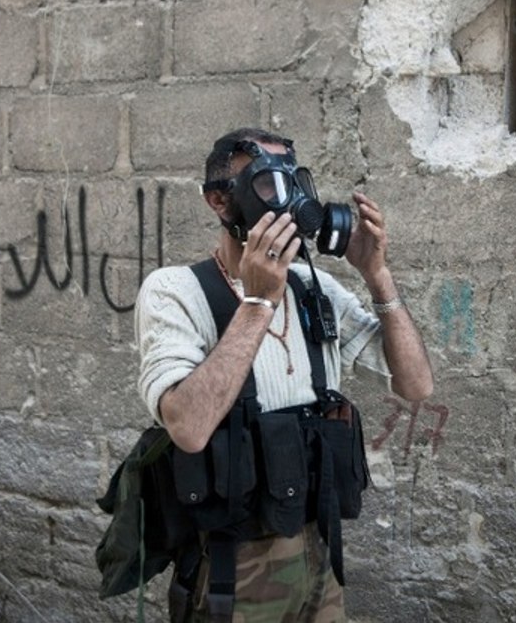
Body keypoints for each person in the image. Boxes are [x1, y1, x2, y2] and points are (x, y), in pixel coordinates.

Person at [135, 128, 434, 622]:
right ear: (219, 201)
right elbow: (187, 428)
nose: (289, 200)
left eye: (294, 182)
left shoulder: (315, 286)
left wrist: (377, 275)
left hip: (318, 548)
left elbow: (416, 384)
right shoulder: (174, 291)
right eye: (267, 184)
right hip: (234, 562)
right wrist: (257, 302)